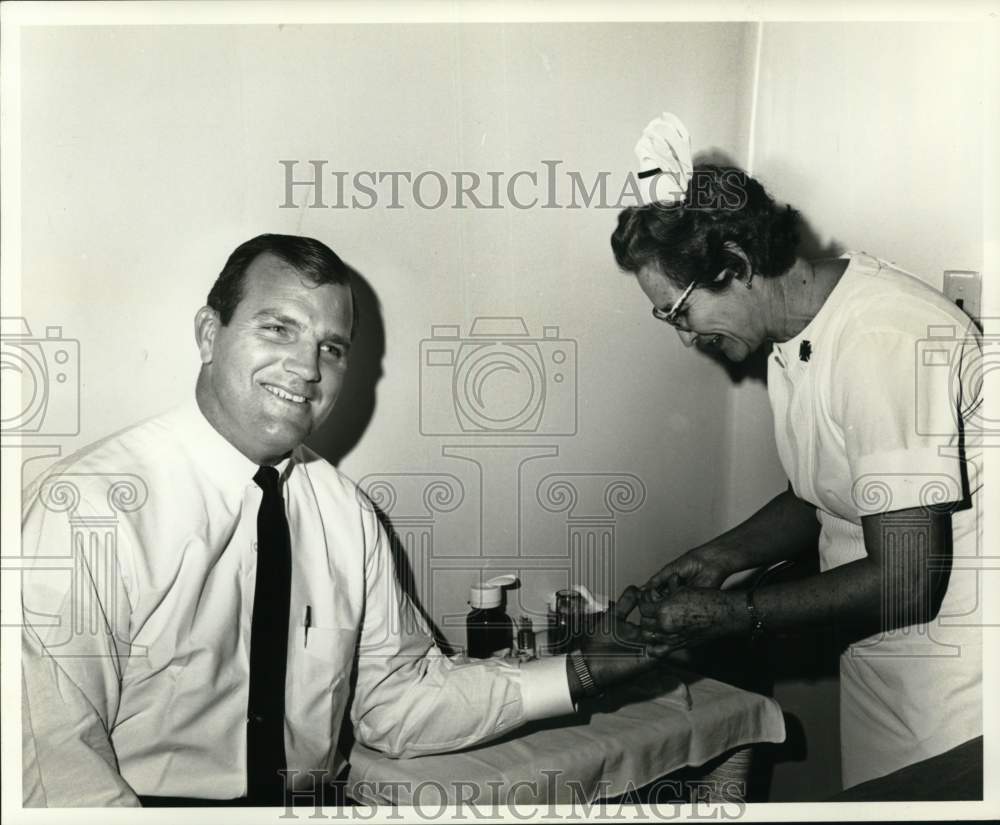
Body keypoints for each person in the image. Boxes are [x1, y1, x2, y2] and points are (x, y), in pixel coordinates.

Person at [21, 233, 654, 808]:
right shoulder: (89, 508)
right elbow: (55, 760)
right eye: (277, 329)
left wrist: (580, 671)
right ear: (210, 334)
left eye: (331, 347)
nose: (307, 368)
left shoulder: (345, 514)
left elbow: (397, 701)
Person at [610, 164, 983, 791]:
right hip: (883, 664)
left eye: (678, 311)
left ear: (736, 263)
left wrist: (733, 614)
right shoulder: (794, 332)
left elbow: (908, 577)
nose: (682, 337)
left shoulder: (880, 338)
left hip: (961, 689)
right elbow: (824, 494)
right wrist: (717, 556)